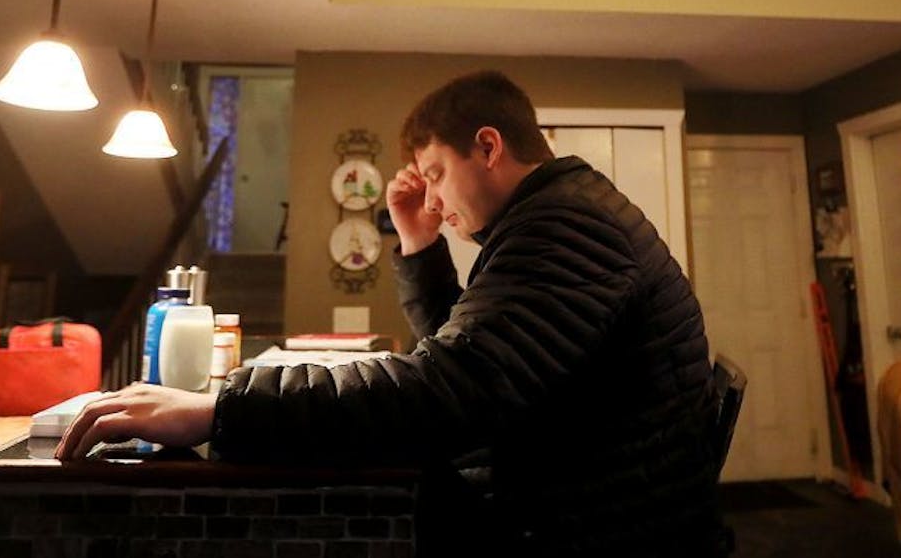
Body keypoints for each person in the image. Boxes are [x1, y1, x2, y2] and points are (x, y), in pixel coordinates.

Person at [57, 70, 727, 557]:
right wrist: (417, 243)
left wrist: (224, 408)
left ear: (489, 148)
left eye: (434, 172)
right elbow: (472, 358)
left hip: (588, 530)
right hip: (585, 505)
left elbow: (452, 393)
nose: (431, 199)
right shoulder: (558, 216)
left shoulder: (565, 227)